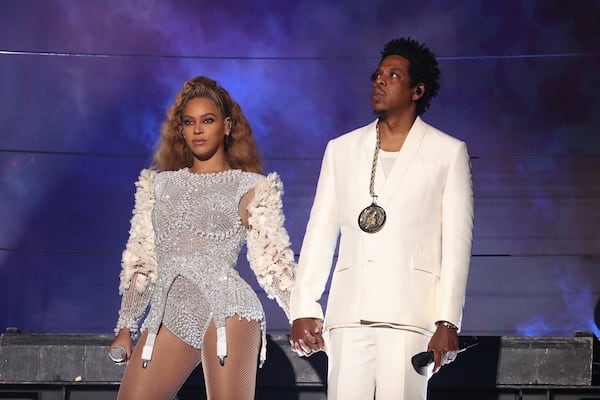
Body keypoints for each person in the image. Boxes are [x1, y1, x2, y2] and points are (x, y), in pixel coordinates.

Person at [289, 37, 474, 399]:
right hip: (348, 313)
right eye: (377, 74)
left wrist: (447, 320)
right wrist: (304, 307)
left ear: (417, 90)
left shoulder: (447, 153)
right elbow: (319, 234)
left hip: (410, 314)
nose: (380, 81)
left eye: (393, 74)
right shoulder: (340, 150)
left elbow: (456, 246)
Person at [108, 76, 296, 400]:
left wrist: (303, 313)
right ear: (180, 130)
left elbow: (274, 262)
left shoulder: (250, 186)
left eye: (207, 121)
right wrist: (126, 326)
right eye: (189, 122)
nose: (198, 130)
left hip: (228, 308)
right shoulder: (158, 186)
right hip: (172, 313)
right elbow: (142, 260)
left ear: (226, 126)